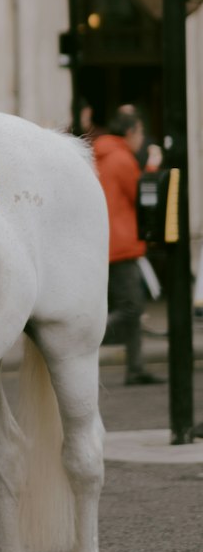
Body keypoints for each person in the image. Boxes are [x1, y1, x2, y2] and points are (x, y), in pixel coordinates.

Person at [93, 107, 163, 386]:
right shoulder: (121, 158)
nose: (142, 139)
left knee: (131, 310)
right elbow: (142, 196)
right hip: (121, 244)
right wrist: (153, 166)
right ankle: (84, 336)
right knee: (132, 308)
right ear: (132, 131)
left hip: (107, 240)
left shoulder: (102, 154)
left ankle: (135, 368)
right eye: (141, 133)